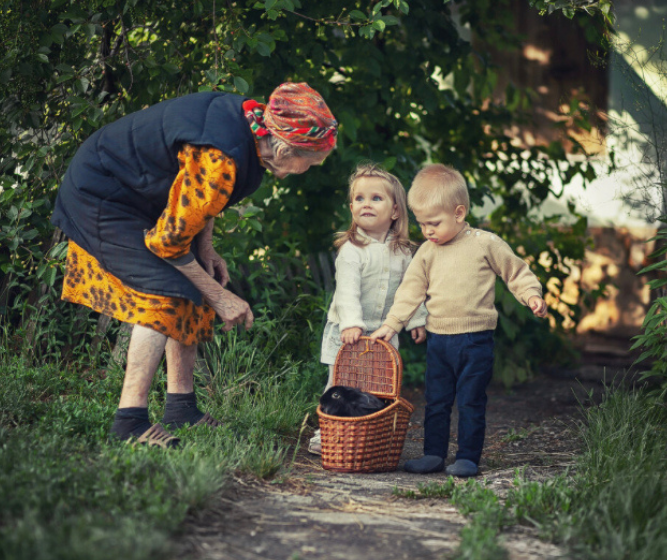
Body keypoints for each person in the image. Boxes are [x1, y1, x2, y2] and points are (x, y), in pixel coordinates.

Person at [51, 82, 337, 448]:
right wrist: (221, 297)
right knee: (163, 291)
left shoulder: (250, 125)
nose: (304, 171)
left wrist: (206, 248)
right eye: (308, 163)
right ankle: (129, 423)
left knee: (194, 279)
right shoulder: (221, 154)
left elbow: (202, 198)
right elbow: (169, 240)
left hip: (140, 194)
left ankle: (181, 408)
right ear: (283, 147)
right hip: (101, 193)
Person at [370, 163, 548, 477]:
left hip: (476, 340)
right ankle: (433, 454)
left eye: (434, 223)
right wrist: (392, 323)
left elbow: (515, 271)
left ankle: (467, 457)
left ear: (459, 213)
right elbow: (411, 290)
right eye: (422, 224)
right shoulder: (426, 252)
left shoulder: (484, 243)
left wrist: (531, 294)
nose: (427, 231)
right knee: (436, 401)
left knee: (470, 400)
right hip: (439, 341)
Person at [309, 163, 427, 455]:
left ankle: (371, 435)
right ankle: (327, 435)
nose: (366, 204)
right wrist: (351, 323)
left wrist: (416, 320)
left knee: (379, 386)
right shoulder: (351, 249)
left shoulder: (402, 252)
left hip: (384, 333)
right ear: (351, 207)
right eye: (359, 199)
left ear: (395, 211)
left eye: (376, 198)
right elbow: (347, 290)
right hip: (348, 332)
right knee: (341, 383)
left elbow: (410, 291)